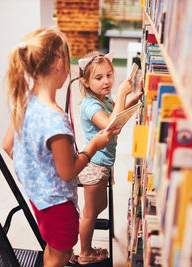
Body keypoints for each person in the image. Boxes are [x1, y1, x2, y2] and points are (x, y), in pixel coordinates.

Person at [2, 28, 118, 267]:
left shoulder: (25, 100)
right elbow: (69, 172)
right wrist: (94, 145)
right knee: (62, 255)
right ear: (58, 64)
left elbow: (7, 145)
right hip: (57, 203)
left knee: (52, 247)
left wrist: (37, 169)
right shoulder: (56, 120)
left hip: (38, 197)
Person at [76, 51, 143, 264]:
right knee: (90, 213)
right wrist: (123, 94)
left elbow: (118, 115)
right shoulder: (91, 105)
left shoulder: (104, 99)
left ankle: (85, 243)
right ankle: (85, 253)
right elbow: (111, 126)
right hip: (93, 164)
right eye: (98, 78)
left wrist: (136, 97)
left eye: (109, 75)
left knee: (99, 207)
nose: (106, 81)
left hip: (104, 164)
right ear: (85, 82)